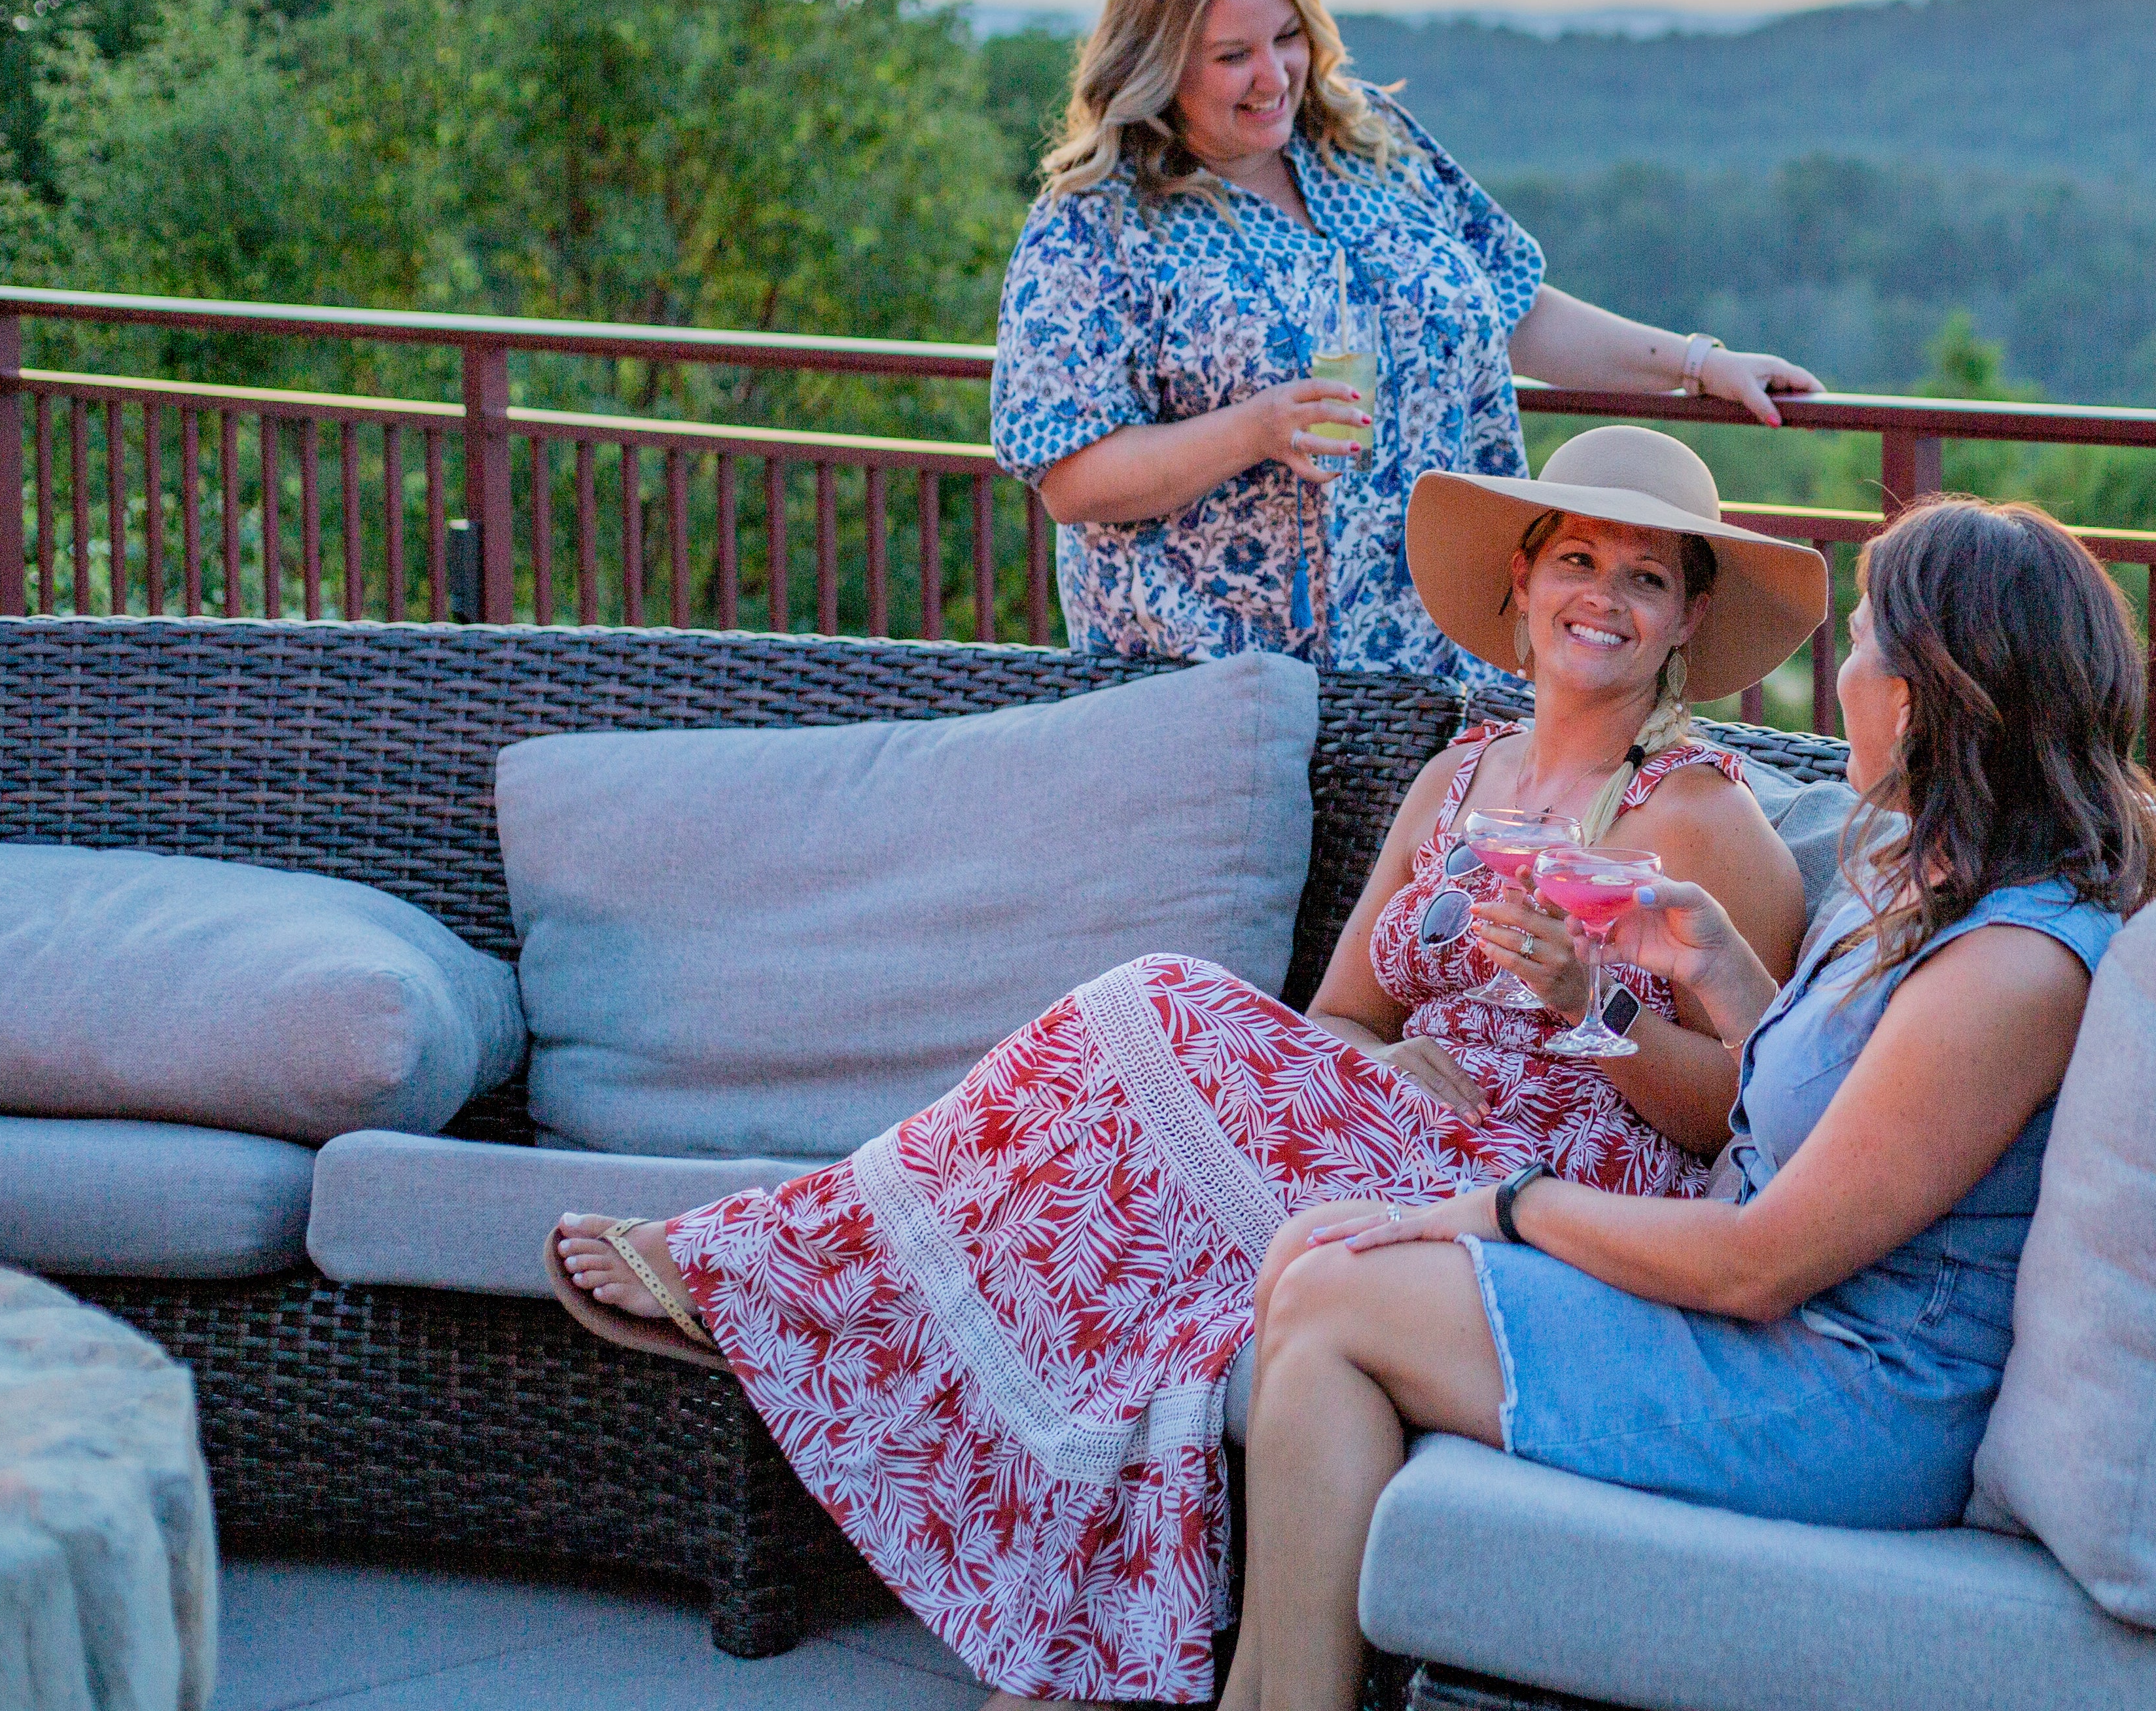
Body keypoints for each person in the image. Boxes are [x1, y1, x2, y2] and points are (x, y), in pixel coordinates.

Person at [548, 425, 1826, 1708]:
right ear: (1523, 580)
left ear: (1685, 618)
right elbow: (1341, 1015)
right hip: (1395, 1125)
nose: (1601, 598)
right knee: (1144, 1205)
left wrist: (1585, 1013)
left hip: (1555, 1185)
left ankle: (792, 1267)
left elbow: (1755, 1110)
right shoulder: (1455, 777)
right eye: (1578, 560)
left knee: (1150, 1006)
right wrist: (1369, 1081)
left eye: (1645, 578)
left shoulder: (1701, 815)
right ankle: (1079, 1623)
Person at [1216, 495, 2156, 1711]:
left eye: (1867, 642)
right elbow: (1800, 1108)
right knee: (1316, 1250)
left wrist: (1506, 1206)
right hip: (1780, 1333)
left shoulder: (2010, 966)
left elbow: (1758, 1261)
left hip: (1843, 1390)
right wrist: (1707, 966)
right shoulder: (1928, 881)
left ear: (1927, 694)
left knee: (1338, 1290)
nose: (1844, 677)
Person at [991, 0, 1818, 682]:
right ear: (1159, 66)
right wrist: (1255, 430)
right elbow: (1069, 475)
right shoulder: (1096, 223)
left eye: (1287, 37)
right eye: (1232, 56)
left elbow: (1511, 307)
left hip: (1438, 659)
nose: (1274, 75)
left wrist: (1698, 362)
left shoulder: (1371, 142)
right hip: (1214, 680)